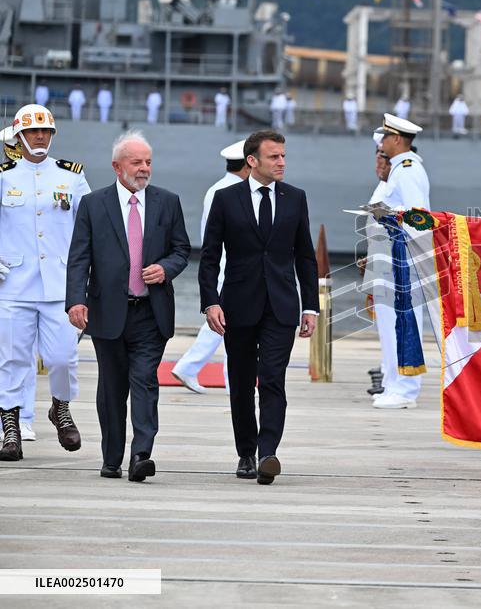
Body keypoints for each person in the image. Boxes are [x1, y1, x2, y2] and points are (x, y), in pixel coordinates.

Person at [66, 130, 190, 481]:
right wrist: (76, 300)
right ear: (117, 166)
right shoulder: (94, 204)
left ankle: (141, 455)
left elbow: (182, 250)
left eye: (148, 162)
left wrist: (165, 269)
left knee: (145, 382)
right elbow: (79, 258)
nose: (144, 168)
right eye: (137, 162)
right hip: (107, 313)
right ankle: (111, 457)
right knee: (111, 388)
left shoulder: (168, 202)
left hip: (151, 313)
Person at [199, 130, 319, 485]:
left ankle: (269, 452)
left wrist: (310, 306)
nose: (281, 162)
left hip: (281, 307)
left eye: (283, 156)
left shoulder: (296, 198)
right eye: (274, 157)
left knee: (271, 379)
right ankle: (246, 453)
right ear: (252, 161)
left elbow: (306, 257)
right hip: (238, 305)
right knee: (239, 382)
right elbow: (208, 258)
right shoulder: (225, 199)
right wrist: (210, 302)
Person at [0, 105, 90, 462]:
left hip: (60, 286)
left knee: (62, 358)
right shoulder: (4, 176)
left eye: (46, 132)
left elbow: (89, 229)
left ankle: (60, 407)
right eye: (33, 132)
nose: (40, 137)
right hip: (13, 284)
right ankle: (10, 428)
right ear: (19, 137)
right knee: (12, 359)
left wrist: (88, 279)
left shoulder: (71, 177)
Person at [171, 140, 251, 394]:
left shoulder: (217, 189)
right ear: (248, 165)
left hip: (221, 263)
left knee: (226, 323)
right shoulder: (238, 191)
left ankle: (201, 371)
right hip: (232, 266)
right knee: (230, 323)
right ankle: (215, 375)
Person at [369, 113, 430, 410]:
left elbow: (419, 216)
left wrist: (386, 215)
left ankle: (406, 388)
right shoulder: (399, 170)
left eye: (384, 137)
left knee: (405, 320)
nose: (381, 143)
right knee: (393, 322)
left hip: (405, 255)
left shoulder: (406, 170)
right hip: (395, 255)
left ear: (396, 140)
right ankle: (395, 384)